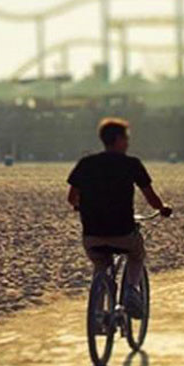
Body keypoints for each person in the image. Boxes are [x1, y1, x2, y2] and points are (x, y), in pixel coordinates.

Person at [67, 118, 172, 320]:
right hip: (123, 233)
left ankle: (98, 314)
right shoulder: (132, 164)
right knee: (137, 254)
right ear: (118, 139)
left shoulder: (86, 163)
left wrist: (80, 206)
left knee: (100, 265)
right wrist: (162, 208)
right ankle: (132, 289)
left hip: (92, 236)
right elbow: (151, 198)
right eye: (126, 138)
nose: (128, 143)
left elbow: (71, 198)